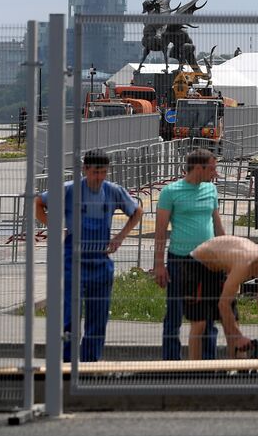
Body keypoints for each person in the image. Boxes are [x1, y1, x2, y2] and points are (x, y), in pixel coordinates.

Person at [35, 149, 142, 361]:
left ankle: (90, 365)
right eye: (95, 172)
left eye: (103, 172)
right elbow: (38, 203)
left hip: (100, 260)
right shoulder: (69, 190)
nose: (99, 177)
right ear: (85, 170)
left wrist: (120, 237)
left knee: (98, 316)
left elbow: (137, 211)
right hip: (71, 260)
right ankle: (67, 364)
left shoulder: (113, 191)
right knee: (69, 315)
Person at [154, 147, 224, 359]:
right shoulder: (170, 192)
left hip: (208, 261)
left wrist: (226, 256)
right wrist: (159, 265)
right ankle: (171, 363)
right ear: (198, 168)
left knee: (208, 315)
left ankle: (207, 363)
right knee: (174, 313)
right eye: (212, 168)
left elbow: (218, 225)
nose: (216, 173)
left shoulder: (211, 190)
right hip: (181, 260)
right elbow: (160, 231)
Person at [183, 237, 258, 359]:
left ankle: (238, 369)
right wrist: (238, 337)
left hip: (217, 267)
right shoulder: (245, 264)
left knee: (232, 321)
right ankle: (194, 371)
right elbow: (223, 304)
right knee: (200, 323)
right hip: (197, 264)